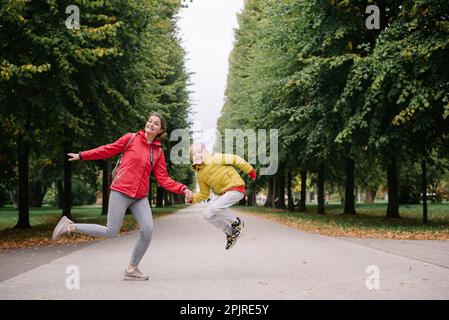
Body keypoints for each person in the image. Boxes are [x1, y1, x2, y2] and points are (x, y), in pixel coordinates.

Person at [52, 112, 193, 281]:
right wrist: (83, 155)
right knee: (111, 231)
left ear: (160, 130)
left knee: (147, 230)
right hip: (121, 190)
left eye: (156, 124)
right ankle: (70, 226)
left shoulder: (158, 153)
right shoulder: (131, 139)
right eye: (150, 121)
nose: (151, 124)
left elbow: (163, 179)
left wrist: (183, 188)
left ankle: (132, 268)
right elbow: (107, 149)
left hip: (140, 196)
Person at [188, 143, 256, 250]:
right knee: (207, 214)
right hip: (225, 194)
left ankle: (236, 223)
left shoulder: (216, 157)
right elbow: (204, 193)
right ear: (192, 159)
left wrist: (250, 171)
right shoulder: (199, 174)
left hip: (236, 187)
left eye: (199, 151)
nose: (197, 155)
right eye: (194, 154)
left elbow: (235, 159)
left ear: (206, 151)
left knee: (216, 207)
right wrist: (193, 198)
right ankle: (230, 233)